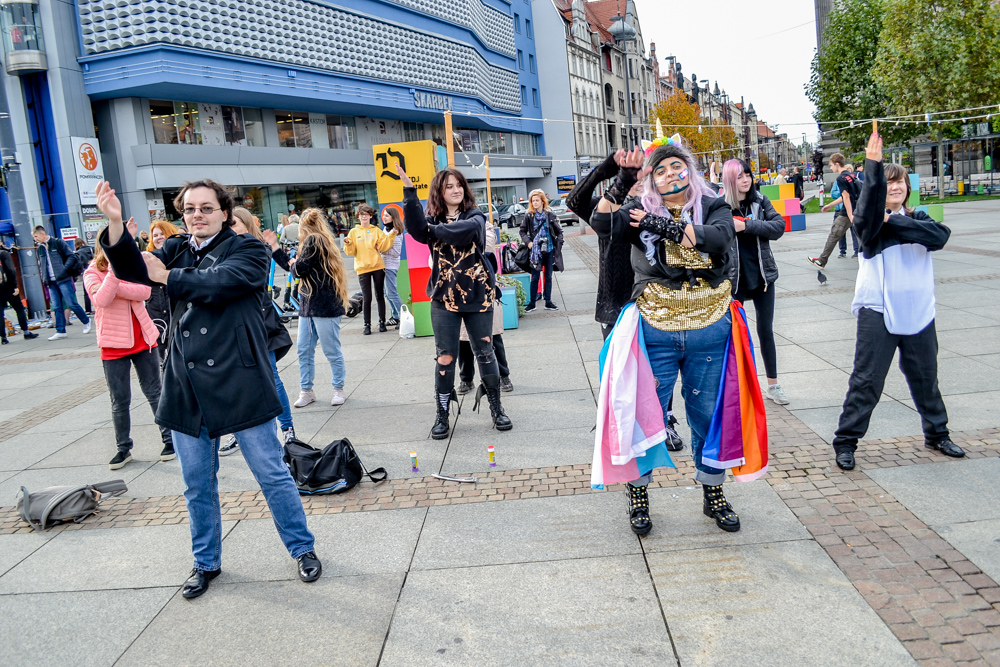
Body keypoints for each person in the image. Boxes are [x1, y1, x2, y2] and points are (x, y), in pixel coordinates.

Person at [94, 178, 321, 598]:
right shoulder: (176, 248)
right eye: (189, 209)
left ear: (223, 213)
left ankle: (302, 548)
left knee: (271, 474)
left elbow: (224, 282)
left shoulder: (247, 249)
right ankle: (205, 562)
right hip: (186, 385)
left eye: (206, 208)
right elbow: (131, 269)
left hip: (240, 379)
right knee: (197, 482)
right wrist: (113, 225)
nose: (196, 215)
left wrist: (170, 277)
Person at [591, 138, 740, 536]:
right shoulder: (638, 211)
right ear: (652, 180)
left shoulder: (713, 206)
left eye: (677, 166)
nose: (671, 173)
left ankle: (713, 493)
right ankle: (638, 495)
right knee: (644, 415)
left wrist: (666, 227)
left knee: (707, 417)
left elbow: (719, 239)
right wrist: (622, 181)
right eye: (660, 169)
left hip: (708, 330)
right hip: (655, 330)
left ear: (689, 170)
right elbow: (599, 221)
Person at [831, 133, 964, 471]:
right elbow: (867, 217)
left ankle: (937, 433)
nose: (896, 188)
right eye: (890, 184)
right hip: (877, 310)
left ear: (908, 187)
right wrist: (873, 167)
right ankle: (846, 442)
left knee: (925, 376)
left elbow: (939, 236)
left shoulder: (918, 219)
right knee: (867, 380)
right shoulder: (870, 226)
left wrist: (897, 221)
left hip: (920, 312)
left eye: (900, 183)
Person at [567, 148, 684, 451]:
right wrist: (611, 167)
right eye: (633, 176)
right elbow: (574, 200)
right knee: (618, 370)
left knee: (658, 368)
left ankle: (664, 420)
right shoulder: (607, 209)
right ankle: (617, 423)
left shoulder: (656, 212)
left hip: (652, 300)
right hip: (615, 302)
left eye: (643, 176)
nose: (637, 181)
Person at [398, 164, 512, 437]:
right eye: (449, 186)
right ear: (440, 191)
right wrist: (409, 193)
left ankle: (496, 408)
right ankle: (442, 413)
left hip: (478, 294)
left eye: (458, 184)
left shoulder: (475, 216)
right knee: (445, 357)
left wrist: (431, 230)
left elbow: (461, 231)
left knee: (485, 352)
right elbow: (415, 229)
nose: (455, 189)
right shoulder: (432, 220)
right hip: (443, 298)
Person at [84, 236, 175, 469]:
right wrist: (115, 275)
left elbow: (144, 292)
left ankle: (169, 440)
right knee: (120, 400)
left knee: (155, 391)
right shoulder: (92, 272)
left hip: (143, 339)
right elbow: (102, 300)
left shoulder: (133, 267)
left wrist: (116, 287)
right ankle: (123, 449)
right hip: (113, 344)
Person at [218, 208, 297, 455]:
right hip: (232, 328)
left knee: (271, 378)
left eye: (235, 223)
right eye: (228, 223)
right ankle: (238, 433)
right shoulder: (222, 250)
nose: (231, 227)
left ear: (247, 225)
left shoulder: (257, 249)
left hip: (261, 324)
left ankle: (287, 430)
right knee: (235, 383)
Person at [722, 159, 789, 406]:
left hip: (763, 277)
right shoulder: (720, 206)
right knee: (736, 335)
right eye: (740, 176)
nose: (746, 180)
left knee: (765, 331)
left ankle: (773, 385)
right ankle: (740, 388)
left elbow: (778, 226)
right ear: (730, 179)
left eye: (748, 174)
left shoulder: (760, 201)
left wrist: (747, 225)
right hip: (734, 279)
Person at [277, 208, 349, 409]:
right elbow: (297, 269)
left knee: (318, 350)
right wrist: (285, 257)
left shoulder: (313, 240)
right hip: (314, 305)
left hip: (320, 305)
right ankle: (321, 390)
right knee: (314, 350)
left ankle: (322, 390)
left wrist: (292, 261)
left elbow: (299, 270)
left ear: (302, 226)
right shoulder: (320, 239)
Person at [457, 218, 513, 394]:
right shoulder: (447, 223)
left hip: (483, 290)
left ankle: (503, 375)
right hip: (459, 292)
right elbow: (434, 259)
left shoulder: (482, 223)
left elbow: (487, 245)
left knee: (494, 338)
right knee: (463, 342)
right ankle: (466, 379)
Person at [343, 203, 395, 335]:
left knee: (379, 296)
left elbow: (383, 247)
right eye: (361, 215)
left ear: (370, 216)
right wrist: (348, 244)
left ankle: (382, 323)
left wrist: (392, 235)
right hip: (362, 268)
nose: (364, 217)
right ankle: (367, 325)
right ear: (358, 217)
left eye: (366, 215)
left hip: (378, 266)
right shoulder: (353, 232)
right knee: (367, 297)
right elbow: (351, 252)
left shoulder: (376, 230)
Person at [32, 226, 91, 340]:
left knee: (71, 303)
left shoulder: (57, 243)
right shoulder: (40, 249)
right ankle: (60, 330)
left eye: (36, 236)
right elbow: (41, 265)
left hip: (63, 278)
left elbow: (71, 256)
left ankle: (86, 321)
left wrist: (64, 270)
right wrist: (45, 278)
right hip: (51, 281)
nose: (35, 239)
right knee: (57, 306)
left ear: (43, 234)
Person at [809, 153, 860, 271]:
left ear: (837, 164)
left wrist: (850, 215)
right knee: (860, 235)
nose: (831, 168)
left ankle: (822, 261)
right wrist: (830, 205)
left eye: (832, 165)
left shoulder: (841, 178)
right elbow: (846, 195)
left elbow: (846, 197)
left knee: (834, 234)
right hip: (857, 209)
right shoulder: (850, 176)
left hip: (847, 213)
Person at [519, 189, 564, 312]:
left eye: (537, 200)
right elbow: (522, 231)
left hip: (549, 250)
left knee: (548, 277)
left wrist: (558, 247)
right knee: (535, 277)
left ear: (543, 201)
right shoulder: (529, 216)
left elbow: (559, 232)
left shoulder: (550, 215)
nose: (535, 203)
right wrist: (528, 242)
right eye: (533, 201)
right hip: (535, 252)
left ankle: (548, 302)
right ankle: (532, 303)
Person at [144, 220, 180, 363]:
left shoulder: (180, 257)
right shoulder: (148, 259)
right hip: (156, 317)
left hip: (176, 317)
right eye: (155, 235)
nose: (159, 237)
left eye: (162, 233)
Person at [0, 244, 38, 342]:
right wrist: (15, 286)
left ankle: (3, 338)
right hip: (8, 287)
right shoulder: (4, 254)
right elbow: (11, 270)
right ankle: (26, 332)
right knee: (19, 308)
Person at [380, 207, 404, 327]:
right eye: (384, 215)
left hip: (391, 265)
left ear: (393, 218)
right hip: (383, 265)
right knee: (386, 293)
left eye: (387, 216)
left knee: (392, 293)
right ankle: (395, 316)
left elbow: (396, 253)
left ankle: (403, 316)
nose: (384, 217)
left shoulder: (396, 231)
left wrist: (382, 250)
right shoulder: (385, 229)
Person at [73, 239, 94, 314]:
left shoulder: (77, 253)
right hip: (94, 270)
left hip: (86, 272)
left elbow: (78, 265)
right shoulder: (91, 248)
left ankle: (88, 310)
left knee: (86, 292)